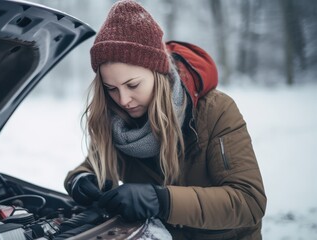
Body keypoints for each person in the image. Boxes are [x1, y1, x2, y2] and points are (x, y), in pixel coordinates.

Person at [64, 0, 266, 239]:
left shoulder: (216, 111)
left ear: (158, 73)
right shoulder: (117, 120)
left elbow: (249, 201)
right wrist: (81, 181)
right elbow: (90, 166)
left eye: (133, 85)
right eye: (111, 88)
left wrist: (163, 200)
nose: (123, 100)